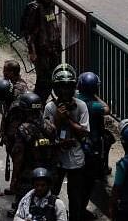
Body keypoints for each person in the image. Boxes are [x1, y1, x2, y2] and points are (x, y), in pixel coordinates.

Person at [44, 64, 90, 221]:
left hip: (76, 159)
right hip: (56, 158)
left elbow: (84, 132)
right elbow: (47, 133)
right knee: (51, 195)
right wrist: (57, 118)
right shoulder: (50, 107)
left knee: (75, 198)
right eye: (61, 87)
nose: (65, 91)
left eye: (68, 87)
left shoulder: (81, 106)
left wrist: (68, 119)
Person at [8, 92, 56, 213]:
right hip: (47, 173)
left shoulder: (23, 129)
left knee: (23, 209)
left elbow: (18, 158)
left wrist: (14, 179)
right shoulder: (50, 126)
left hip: (28, 176)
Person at [20, 0, 63, 98]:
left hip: (53, 50)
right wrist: (32, 52)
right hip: (42, 52)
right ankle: (37, 105)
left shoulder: (50, 6)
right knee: (44, 82)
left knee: (54, 78)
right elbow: (28, 32)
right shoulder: (34, 8)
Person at [76, 72, 113, 207]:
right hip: (93, 143)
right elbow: (107, 109)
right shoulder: (95, 105)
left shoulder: (75, 99)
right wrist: (95, 96)